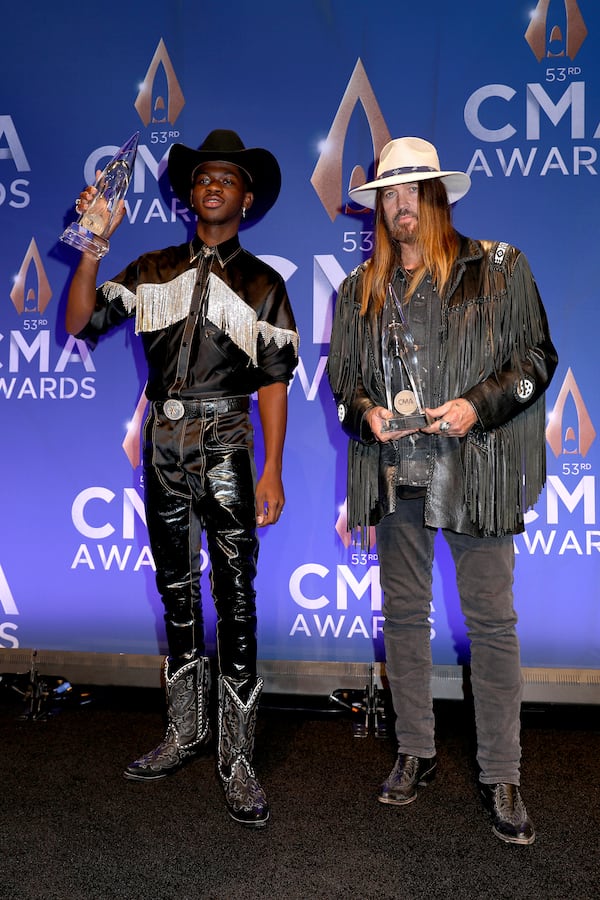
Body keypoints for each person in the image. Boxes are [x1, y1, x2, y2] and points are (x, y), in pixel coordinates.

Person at [65, 129, 299, 828]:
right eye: (201, 177)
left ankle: (237, 758)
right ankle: (186, 731)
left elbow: (275, 386)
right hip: (163, 448)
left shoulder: (263, 284)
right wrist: (92, 241)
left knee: (235, 596)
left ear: (247, 199)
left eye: (226, 178)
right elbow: (80, 320)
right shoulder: (150, 267)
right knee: (176, 592)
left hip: (228, 444)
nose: (212, 185)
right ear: (188, 193)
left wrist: (273, 472)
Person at [327, 136, 557, 845]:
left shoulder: (501, 266)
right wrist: (364, 411)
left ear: (438, 197)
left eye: (412, 192)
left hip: (477, 471)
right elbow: (343, 383)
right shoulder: (358, 289)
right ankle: (415, 752)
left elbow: (537, 358)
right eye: (387, 196)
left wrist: (476, 405)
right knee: (402, 619)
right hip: (399, 476)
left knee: (491, 624)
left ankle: (502, 773)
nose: (399, 206)